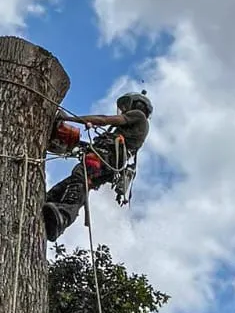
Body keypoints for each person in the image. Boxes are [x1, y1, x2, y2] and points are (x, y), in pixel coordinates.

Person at [42, 90, 152, 241]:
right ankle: (47, 208)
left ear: (138, 105)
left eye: (127, 106)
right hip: (107, 163)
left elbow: (104, 119)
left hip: (104, 158)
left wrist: (71, 119)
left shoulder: (138, 116)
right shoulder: (130, 131)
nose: (125, 110)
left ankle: (63, 215)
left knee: (80, 178)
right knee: (67, 186)